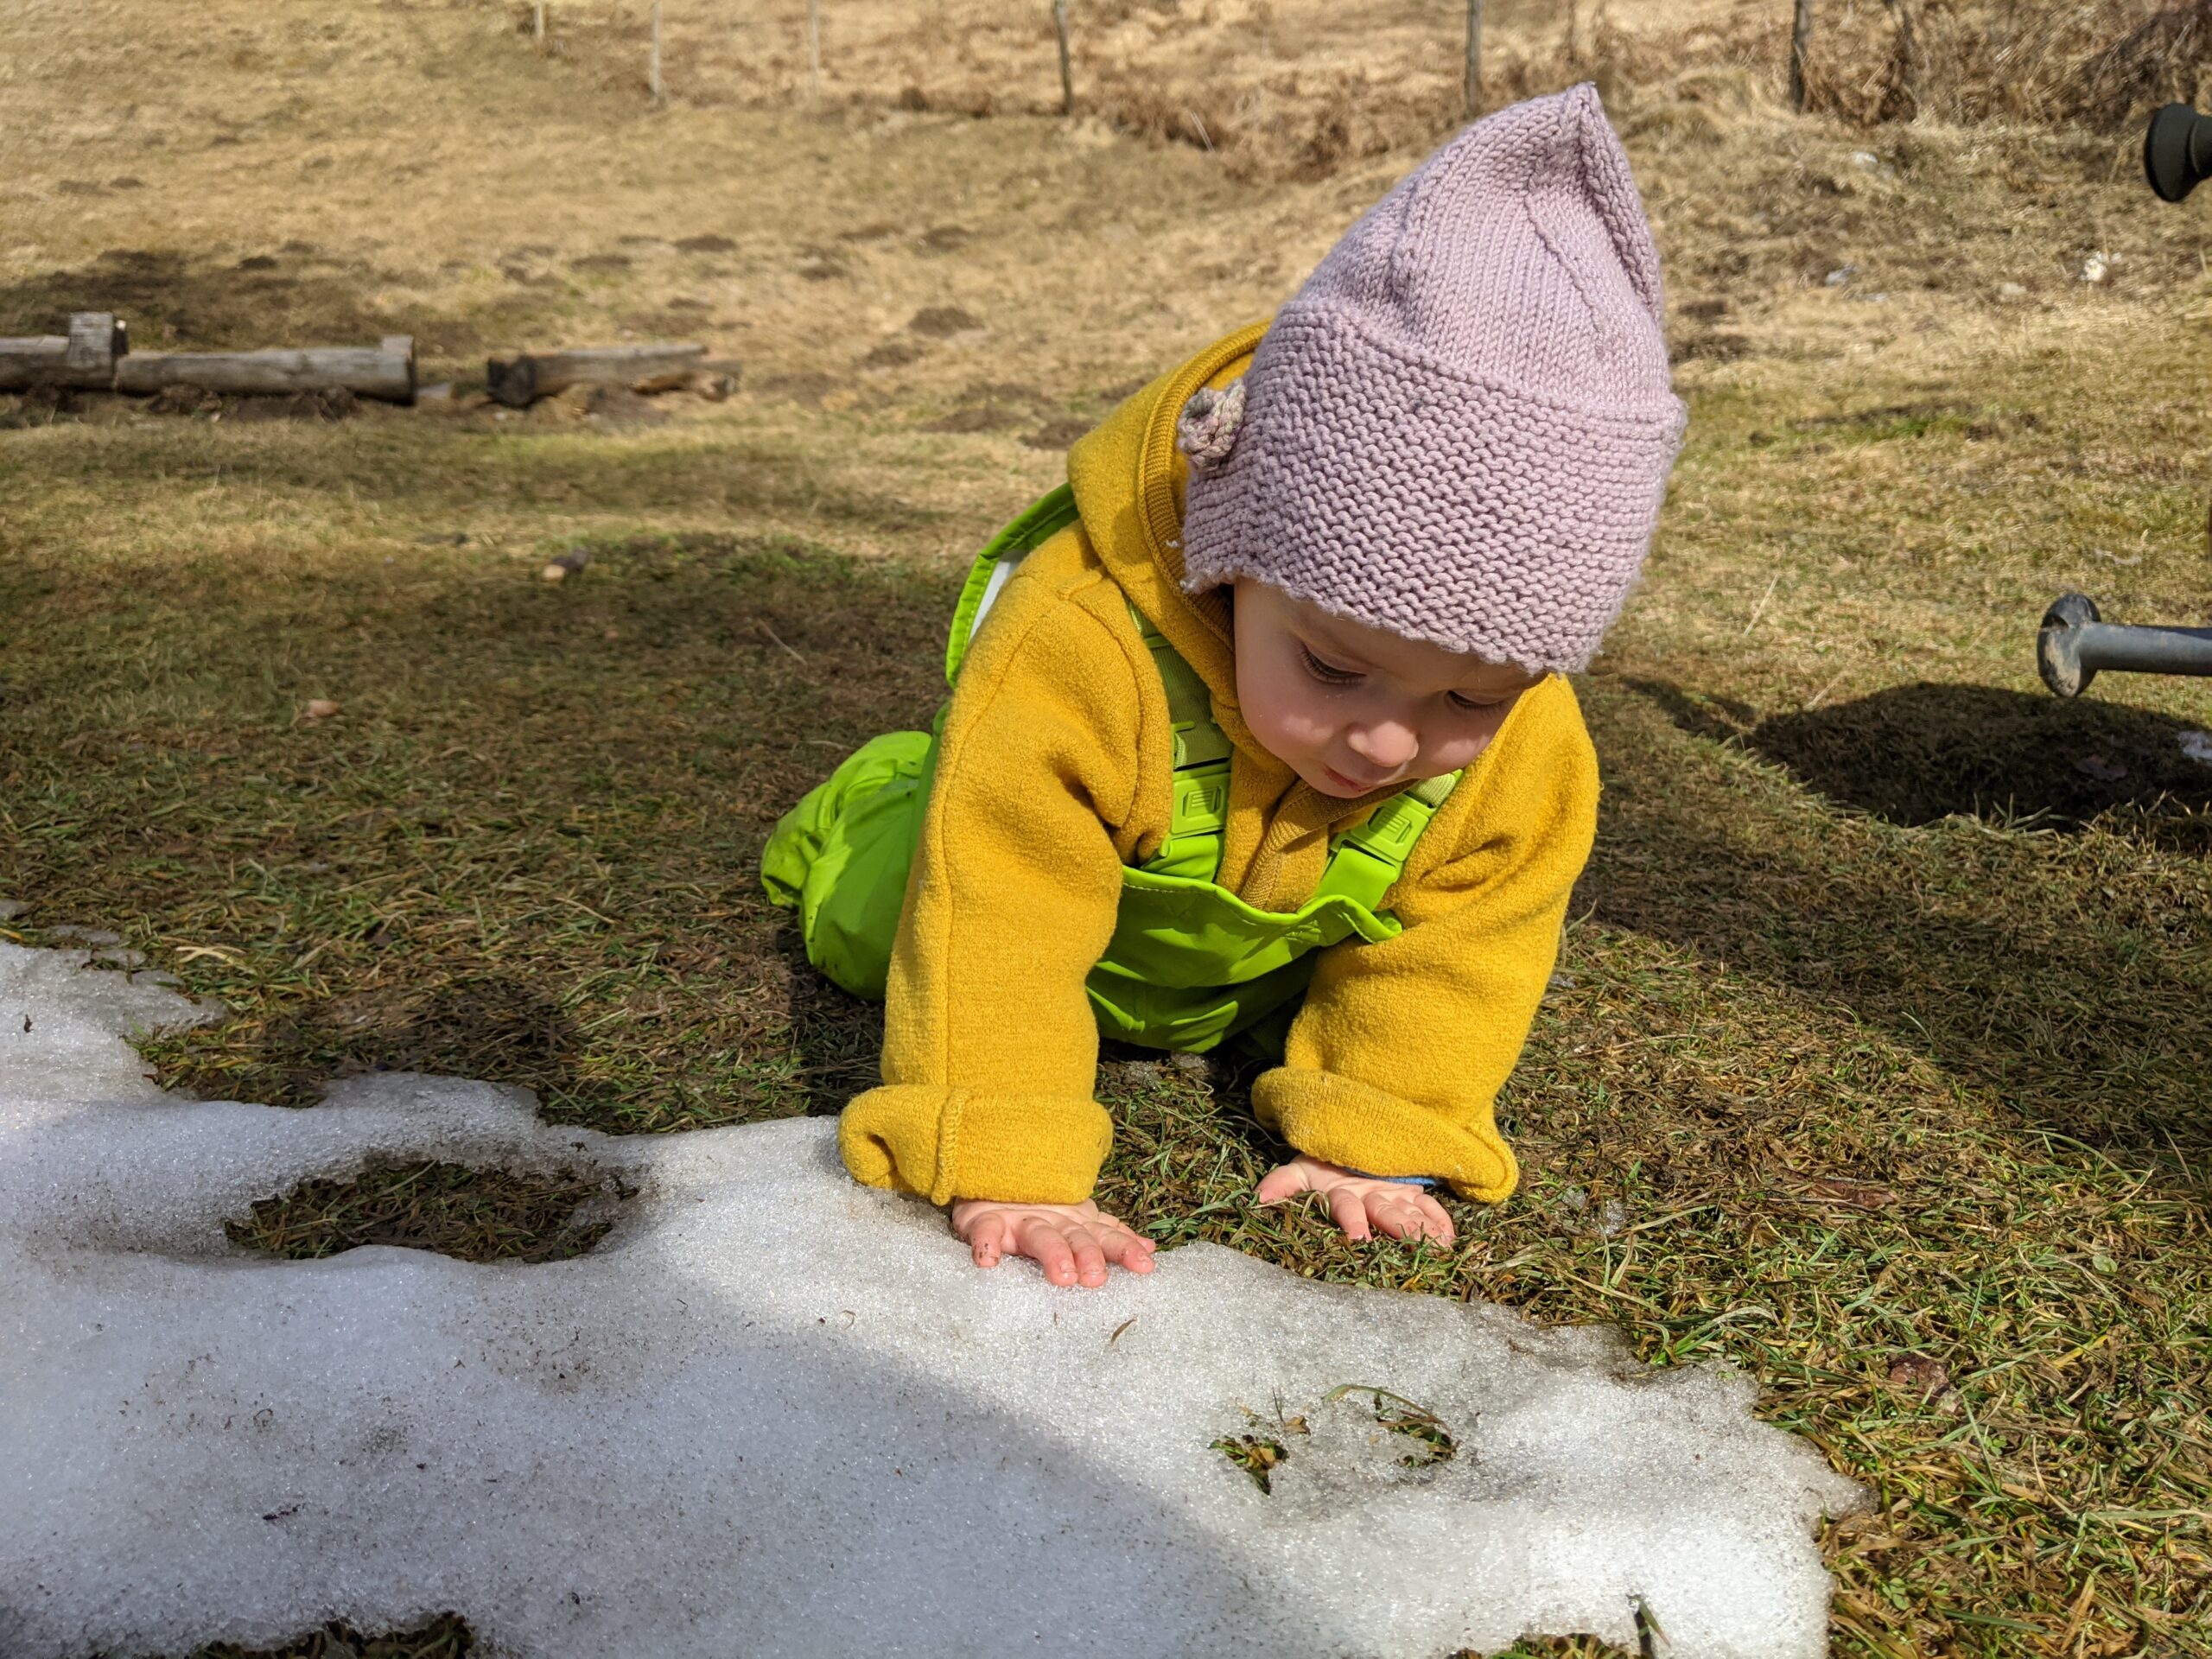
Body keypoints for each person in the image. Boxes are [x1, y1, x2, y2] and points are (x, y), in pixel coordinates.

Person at [762, 84, 1686, 1289]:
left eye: (1472, 700)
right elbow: (1001, 904)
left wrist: (1381, 1133)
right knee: (864, 916)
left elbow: (1470, 936)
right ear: (1231, 554)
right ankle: (878, 792)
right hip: (984, 898)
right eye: (1336, 669)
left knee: (1287, 970)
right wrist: (1008, 1154)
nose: (1392, 741)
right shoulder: (1084, 642)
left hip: (1226, 958)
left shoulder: (1528, 734)